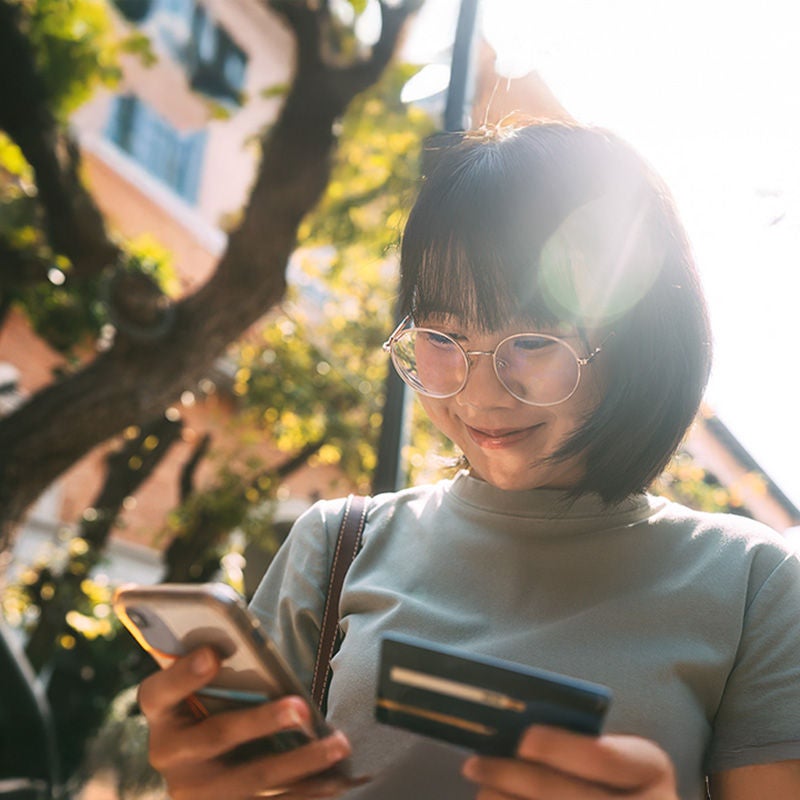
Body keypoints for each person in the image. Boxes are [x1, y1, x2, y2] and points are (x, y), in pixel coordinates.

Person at [137, 121, 800, 799]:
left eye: (536, 341)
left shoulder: (752, 584)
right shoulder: (338, 543)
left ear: (641, 345)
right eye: (444, 334)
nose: (479, 392)